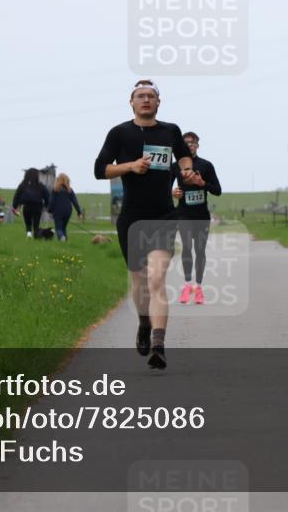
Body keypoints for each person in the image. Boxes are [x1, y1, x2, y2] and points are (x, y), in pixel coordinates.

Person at [93, 79, 197, 369]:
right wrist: (131, 166)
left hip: (163, 215)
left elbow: (183, 156)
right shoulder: (119, 133)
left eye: (151, 96)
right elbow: (100, 169)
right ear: (132, 102)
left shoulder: (170, 130)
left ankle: (159, 344)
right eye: (141, 96)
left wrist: (186, 170)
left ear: (158, 102)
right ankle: (143, 322)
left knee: (156, 279)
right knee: (140, 283)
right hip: (131, 218)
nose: (146, 100)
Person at [171, 132, 222, 305]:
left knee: (200, 250)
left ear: (197, 145)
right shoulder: (175, 166)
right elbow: (164, 188)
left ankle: (198, 287)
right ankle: (187, 285)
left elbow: (217, 190)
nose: (189, 146)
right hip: (183, 214)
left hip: (201, 216)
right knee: (186, 247)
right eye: (186, 143)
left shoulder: (206, 165)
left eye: (192, 143)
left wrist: (203, 184)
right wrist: (173, 192)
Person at [12, 168, 49, 238]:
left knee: (28, 221)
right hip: (38, 207)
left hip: (27, 206)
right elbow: (47, 196)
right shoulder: (41, 185)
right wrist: (47, 206)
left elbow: (17, 195)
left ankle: (29, 233)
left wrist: (15, 206)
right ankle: (36, 235)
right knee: (36, 223)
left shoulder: (23, 185)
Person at [48, 173, 82, 242]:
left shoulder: (55, 190)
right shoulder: (70, 190)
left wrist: (50, 211)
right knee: (63, 228)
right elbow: (75, 202)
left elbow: (52, 201)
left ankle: (62, 238)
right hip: (68, 211)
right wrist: (79, 212)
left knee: (58, 228)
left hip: (58, 211)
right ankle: (65, 242)